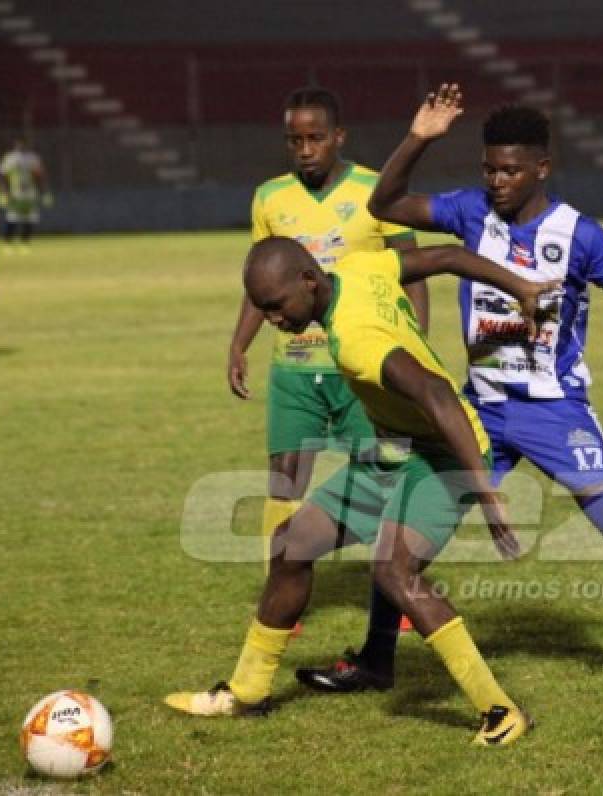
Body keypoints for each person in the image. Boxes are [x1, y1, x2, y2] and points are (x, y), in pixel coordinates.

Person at [295, 84, 603, 692]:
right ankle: (377, 660)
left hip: (555, 410)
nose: (497, 181)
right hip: (480, 410)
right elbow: (386, 203)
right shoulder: (470, 212)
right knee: (401, 533)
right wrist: (419, 138)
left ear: (542, 168)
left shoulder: (579, 234)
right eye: (489, 169)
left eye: (510, 171)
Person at [167, 236, 557, 746]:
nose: (272, 320)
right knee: (291, 543)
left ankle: (500, 712)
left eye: (276, 306)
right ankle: (247, 691)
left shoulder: (356, 340)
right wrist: (521, 287)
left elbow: (437, 394)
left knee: (394, 571)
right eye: (262, 309)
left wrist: (485, 494)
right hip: (394, 450)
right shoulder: (360, 268)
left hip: (445, 457)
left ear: (309, 281)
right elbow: (445, 256)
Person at [229, 88, 427, 632]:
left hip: (360, 365)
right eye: (295, 140)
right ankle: (281, 599)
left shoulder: (377, 190)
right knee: (284, 482)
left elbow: (412, 270)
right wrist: (239, 344)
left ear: (339, 136)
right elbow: (259, 283)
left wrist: (412, 343)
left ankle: (399, 592)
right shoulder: (270, 197)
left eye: (315, 138)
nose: (305, 149)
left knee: (383, 474)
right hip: (293, 367)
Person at [0, 139, 52, 253]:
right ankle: (7, 244)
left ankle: (25, 243)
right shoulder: (10, 158)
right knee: (12, 219)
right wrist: (3, 192)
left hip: (30, 194)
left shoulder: (33, 158)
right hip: (15, 194)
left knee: (30, 219)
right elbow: (2, 176)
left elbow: (40, 176)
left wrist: (45, 192)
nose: (20, 145)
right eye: (18, 143)